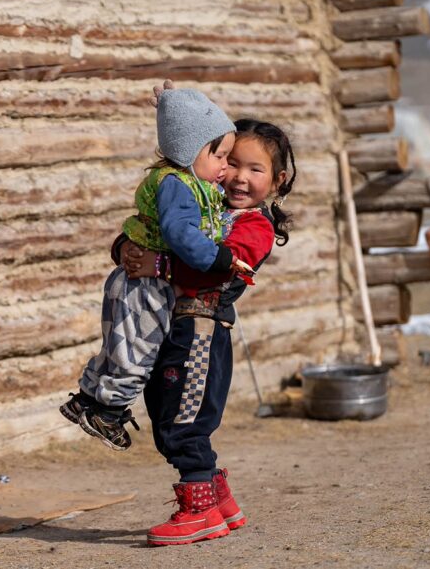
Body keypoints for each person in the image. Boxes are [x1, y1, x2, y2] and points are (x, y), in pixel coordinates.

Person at [119, 118, 296, 546]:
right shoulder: (202, 204)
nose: (239, 176)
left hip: (201, 331)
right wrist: (126, 249)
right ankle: (220, 502)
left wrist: (160, 266)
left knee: (184, 420)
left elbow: (218, 269)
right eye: (232, 162)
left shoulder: (255, 226)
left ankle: (199, 512)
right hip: (172, 327)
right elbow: (159, 232)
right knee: (166, 410)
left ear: (278, 180)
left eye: (255, 169)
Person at [60, 80, 248, 451]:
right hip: (144, 286)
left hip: (134, 280)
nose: (226, 167)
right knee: (138, 351)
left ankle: (88, 399)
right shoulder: (177, 185)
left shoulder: (188, 181)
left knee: (119, 347)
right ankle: (108, 412)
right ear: (189, 149)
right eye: (220, 156)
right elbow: (179, 232)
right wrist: (217, 257)